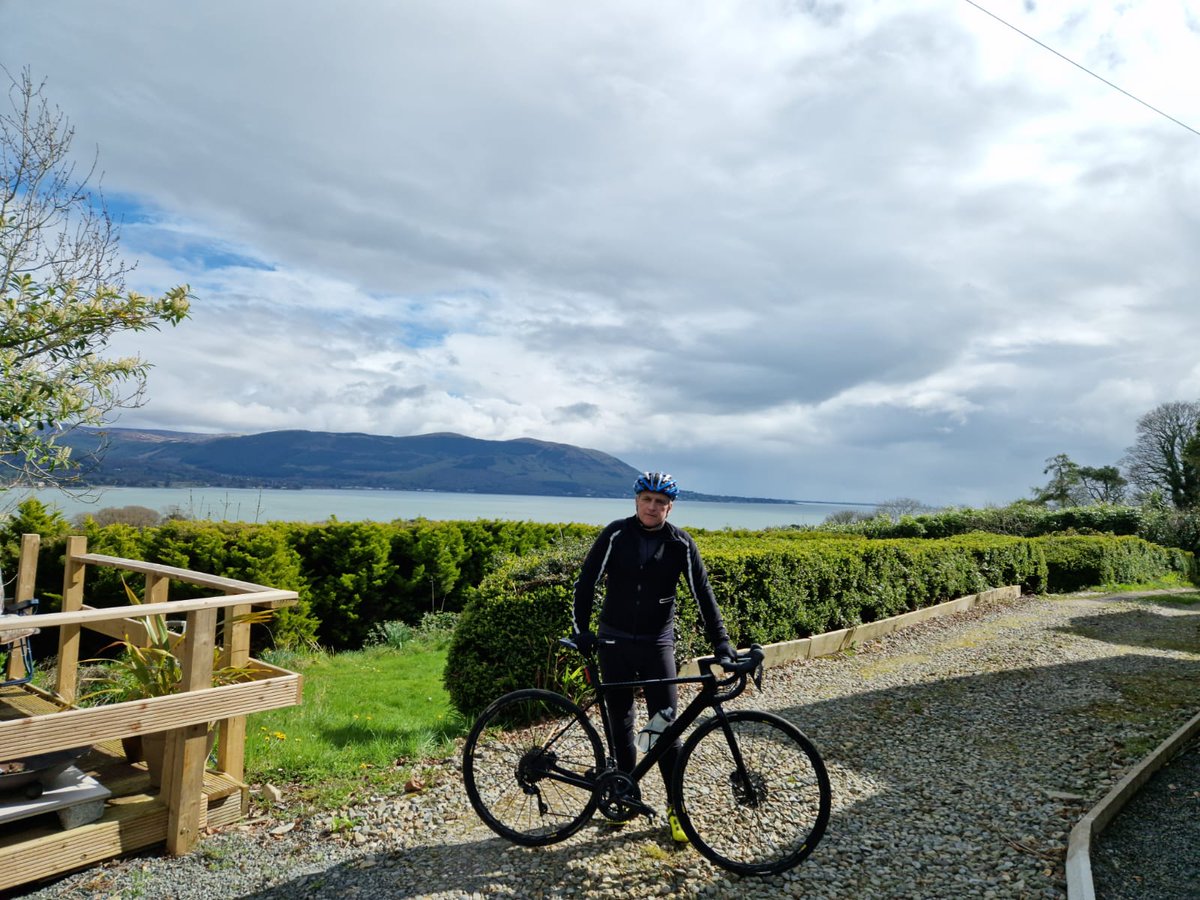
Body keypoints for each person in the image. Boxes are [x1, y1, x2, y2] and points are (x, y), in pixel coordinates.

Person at [571, 471, 735, 843]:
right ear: (636, 501)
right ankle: (626, 795)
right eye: (647, 499)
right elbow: (585, 582)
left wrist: (722, 642)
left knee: (664, 726)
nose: (652, 507)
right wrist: (582, 630)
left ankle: (676, 808)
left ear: (670, 507)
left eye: (661, 502)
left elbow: (703, 595)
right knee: (621, 721)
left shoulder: (680, 543)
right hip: (613, 641)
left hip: (656, 643)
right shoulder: (616, 534)